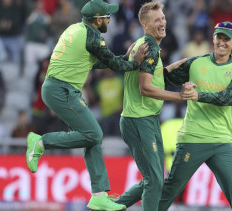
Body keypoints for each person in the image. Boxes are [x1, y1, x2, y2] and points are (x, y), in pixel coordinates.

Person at [25, 0, 148, 210]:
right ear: (97, 19)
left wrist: (125, 57)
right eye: (106, 16)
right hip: (62, 90)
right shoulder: (92, 36)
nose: (109, 19)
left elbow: (99, 61)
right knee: (95, 134)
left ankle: (99, 195)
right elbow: (114, 64)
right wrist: (135, 62)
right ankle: (41, 142)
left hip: (58, 87)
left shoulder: (76, 29)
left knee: (91, 139)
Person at [158, 21, 232, 211]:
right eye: (219, 37)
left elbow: (229, 97)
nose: (222, 42)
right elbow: (161, 79)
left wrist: (197, 95)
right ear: (213, 38)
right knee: (170, 190)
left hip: (222, 141)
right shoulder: (195, 63)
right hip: (193, 138)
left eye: (227, 39)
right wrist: (174, 65)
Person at [113, 2, 192, 211]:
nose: (163, 23)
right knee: (155, 180)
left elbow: (149, 77)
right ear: (144, 24)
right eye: (157, 20)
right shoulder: (149, 49)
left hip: (142, 118)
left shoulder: (143, 44)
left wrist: (169, 69)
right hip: (140, 120)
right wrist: (179, 97)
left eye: (163, 18)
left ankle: (108, 208)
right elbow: (145, 88)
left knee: (153, 179)